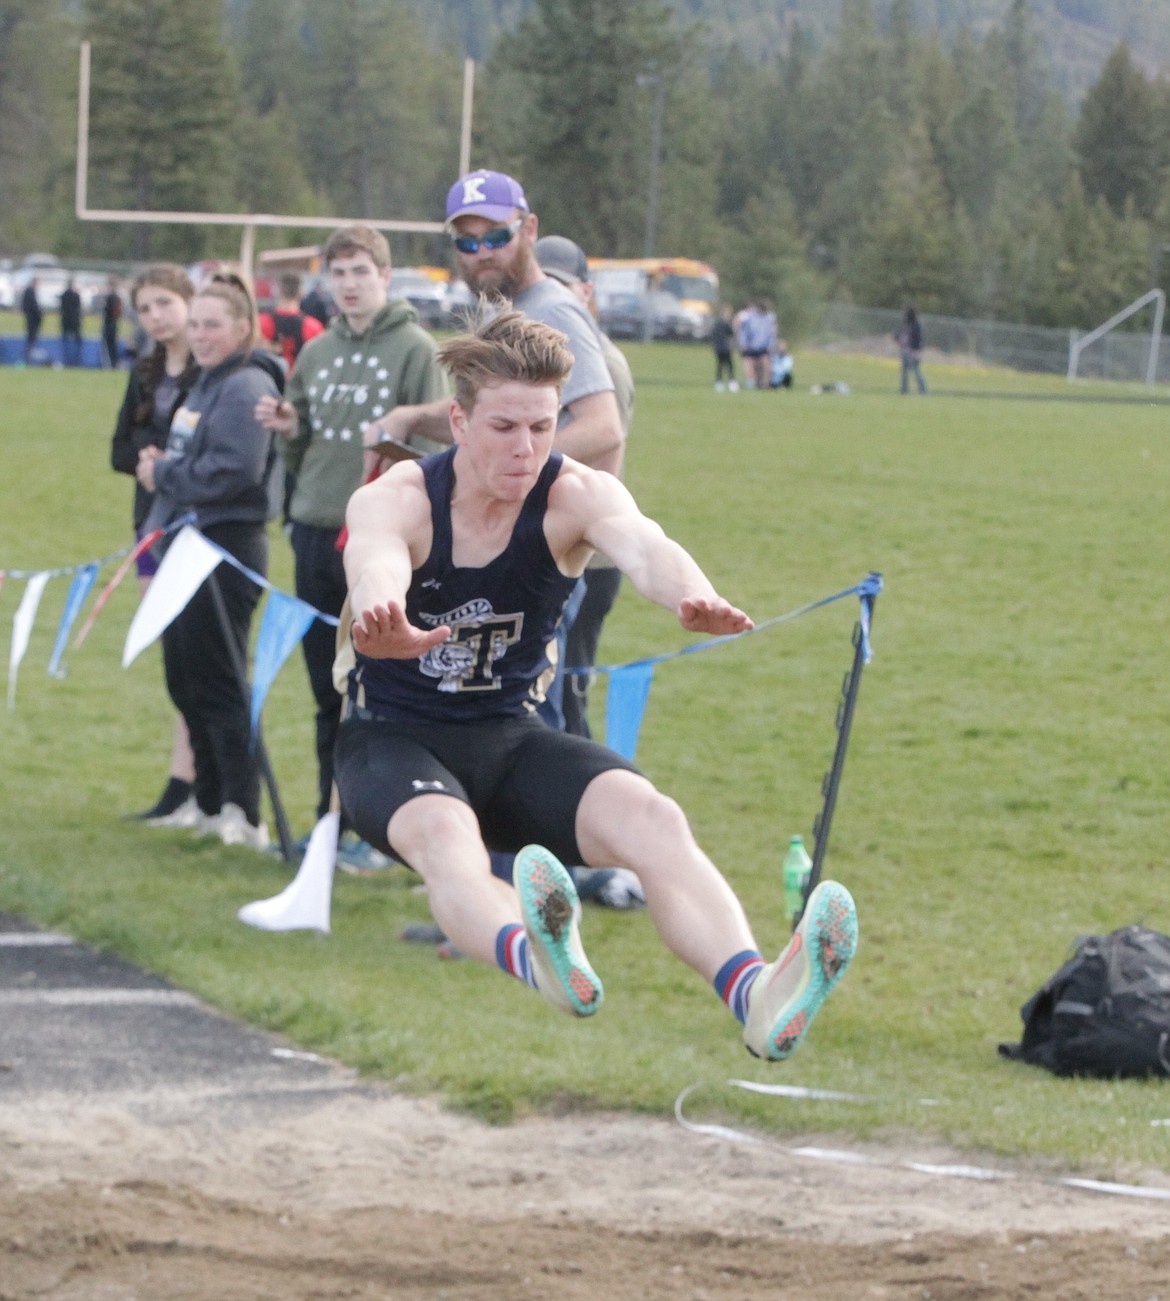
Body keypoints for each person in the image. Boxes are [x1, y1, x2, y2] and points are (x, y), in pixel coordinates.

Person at [335, 310, 859, 1060]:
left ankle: (757, 992)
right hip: (390, 742)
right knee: (449, 839)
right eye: (504, 427)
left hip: (511, 738)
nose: (525, 449)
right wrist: (384, 608)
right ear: (458, 419)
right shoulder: (403, 496)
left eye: (542, 427)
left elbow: (645, 545)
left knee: (654, 818)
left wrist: (692, 595)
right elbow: (376, 559)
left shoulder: (573, 494)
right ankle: (535, 954)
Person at [371, 170, 624, 731]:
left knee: (530, 720)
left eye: (496, 236)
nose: (481, 253)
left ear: (529, 229)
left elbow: (604, 427)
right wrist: (414, 421)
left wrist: (509, 472)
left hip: (549, 549)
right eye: (467, 241)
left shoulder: (549, 309)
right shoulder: (502, 309)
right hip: (505, 543)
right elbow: (487, 422)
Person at [255, 226, 448, 868]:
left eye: (360, 270)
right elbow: (299, 439)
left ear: (385, 276)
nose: (348, 284)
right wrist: (287, 429)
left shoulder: (416, 348)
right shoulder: (315, 351)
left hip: (385, 541)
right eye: (337, 273)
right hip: (315, 528)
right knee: (324, 688)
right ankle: (329, 820)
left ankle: (381, 830)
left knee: (383, 686)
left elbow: (440, 445)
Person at [138, 274, 284, 849]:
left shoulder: (245, 386)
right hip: (185, 543)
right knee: (185, 677)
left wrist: (165, 474)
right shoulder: (204, 384)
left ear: (242, 328)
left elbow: (234, 473)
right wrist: (165, 464)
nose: (199, 335)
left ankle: (242, 811)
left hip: (225, 548)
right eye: (194, 323)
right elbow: (191, 455)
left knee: (220, 680)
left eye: (212, 324)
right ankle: (206, 799)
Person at [110, 264, 201, 826]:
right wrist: (151, 458)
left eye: (164, 303)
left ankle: (195, 778)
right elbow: (118, 449)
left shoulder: (208, 370)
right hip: (149, 526)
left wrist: (163, 460)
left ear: (188, 302)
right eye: (145, 309)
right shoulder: (145, 372)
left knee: (200, 655)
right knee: (174, 655)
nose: (155, 317)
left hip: (197, 526)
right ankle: (180, 778)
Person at [259, 272, 325, 374]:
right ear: (301, 292)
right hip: (301, 386)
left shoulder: (261, 323)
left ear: (277, 291)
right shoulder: (313, 327)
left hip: (267, 384)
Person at [737, 299, 776, 390]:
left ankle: (765, 384)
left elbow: (772, 333)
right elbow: (744, 331)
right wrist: (743, 343)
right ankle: (752, 383)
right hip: (751, 346)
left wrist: (772, 345)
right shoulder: (750, 317)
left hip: (764, 347)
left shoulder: (769, 318)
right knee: (750, 365)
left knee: (766, 365)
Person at [897, 305, 927, 395]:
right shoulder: (907, 324)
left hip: (913, 351)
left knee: (916, 371)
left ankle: (923, 390)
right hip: (906, 350)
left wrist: (916, 351)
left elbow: (918, 339)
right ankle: (904, 390)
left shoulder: (916, 325)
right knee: (905, 372)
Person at [711, 304, 738, 391]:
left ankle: (725, 382)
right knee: (724, 365)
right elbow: (731, 334)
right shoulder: (724, 324)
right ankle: (724, 382)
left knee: (725, 365)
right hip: (724, 347)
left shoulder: (719, 323)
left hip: (722, 347)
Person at [59, 278, 83, 368]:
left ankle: (67, 361)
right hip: (75, 322)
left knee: (66, 343)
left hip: (66, 322)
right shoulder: (76, 295)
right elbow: (79, 310)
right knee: (76, 343)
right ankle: (76, 362)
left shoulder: (64, 296)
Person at [102, 278, 123, 369]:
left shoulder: (110, 298)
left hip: (109, 324)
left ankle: (111, 364)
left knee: (109, 345)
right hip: (114, 324)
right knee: (113, 345)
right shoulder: (117, 298)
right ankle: (114, 363)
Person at [21, 278, 42, 365]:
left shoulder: (30, 292)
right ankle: (27, 360)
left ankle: (28, 359)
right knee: (31, 340)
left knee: (31, 340)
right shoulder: (30, 292)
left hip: (31, 320)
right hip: (32, 321)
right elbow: (32, 307)